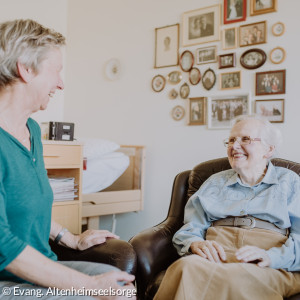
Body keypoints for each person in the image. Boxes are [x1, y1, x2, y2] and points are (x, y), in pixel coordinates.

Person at [0, 19, 136, 299]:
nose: (61, 83)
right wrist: (91, 286)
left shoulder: (33, 130)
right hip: (6, 279)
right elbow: (4, 248)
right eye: (56, 71)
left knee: (123, 289)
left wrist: (69, 238)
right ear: (25, 69)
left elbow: (24, 204)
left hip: (40, 269)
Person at [154, 115, 300, 300]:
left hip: (267, 263)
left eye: (245, 139)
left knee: (237, 278)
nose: (234, 146)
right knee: (184, 267)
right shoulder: (214, 182)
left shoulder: (290, 181)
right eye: (231, 140)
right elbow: (191, 229)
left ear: (268, 149)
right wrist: (194, 243)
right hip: (217, 256)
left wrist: (272, 256)